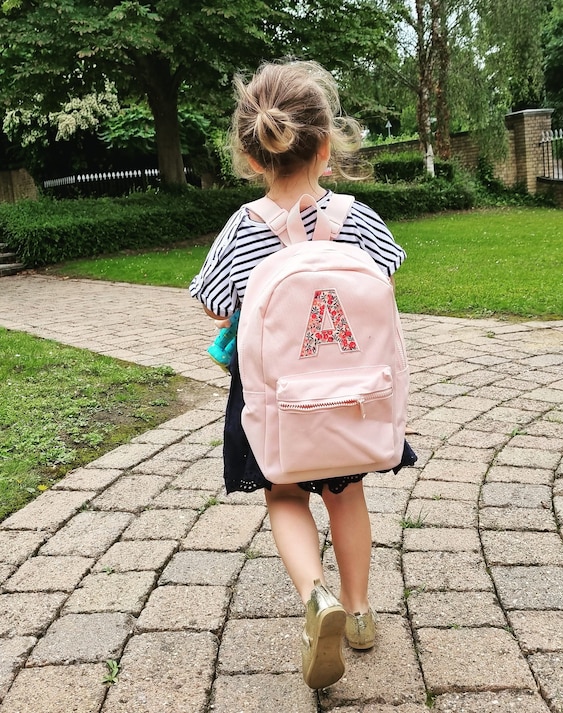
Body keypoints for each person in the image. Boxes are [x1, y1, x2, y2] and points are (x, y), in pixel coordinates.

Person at [190, 59, 416, 690]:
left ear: (253, 154)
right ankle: (363, 612)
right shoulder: (358, 218)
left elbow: (213, 302)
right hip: (349, 394)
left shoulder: (240, 229)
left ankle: (317, 597)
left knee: (284, 494)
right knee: (346, 496)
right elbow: (384, 282)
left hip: (275, 400)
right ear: (325, 147)